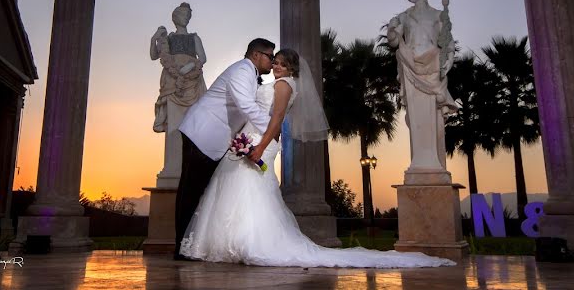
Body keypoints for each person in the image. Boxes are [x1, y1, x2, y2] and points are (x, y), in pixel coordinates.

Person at [179, 48, 455, 269]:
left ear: (291, 69)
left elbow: (275, 121)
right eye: (274, 62)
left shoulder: (284, 86)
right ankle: (230, 243)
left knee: (248, 191)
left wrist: (262, 147)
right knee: (236, 189)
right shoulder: (280, 83)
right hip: (252, 137)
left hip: (260, 140)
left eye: (281, 63)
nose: (275, 67)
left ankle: (250, 243)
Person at [174, 38, 275, 260]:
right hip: (201, 133)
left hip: (216, 140)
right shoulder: (242, 70)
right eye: (270, 56)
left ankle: (191, 245)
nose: (273, 61)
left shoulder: (250, 74)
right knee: (190, 192)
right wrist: (272, 132)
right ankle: (180, 247)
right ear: (256, 55)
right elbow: (246, 105)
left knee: (203, 192)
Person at [386, 0, 457, 176]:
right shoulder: (403, 17)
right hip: (411, 65)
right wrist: (393, 32)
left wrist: (449, 59)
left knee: (433, 117)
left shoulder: (437, 15)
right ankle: (421, 161)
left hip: (433, 65)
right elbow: (393, 42)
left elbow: (447, 41)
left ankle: (434, 163)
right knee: (416, 116)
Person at [149, 2, 207, 186]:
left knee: (192, 126)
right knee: (174, 124)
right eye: (183, 15)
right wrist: (154, 39)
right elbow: (153, 56)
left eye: (187, 15)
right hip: (172, 83)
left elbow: (203, 58)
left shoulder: (194, 38)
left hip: (192, 81)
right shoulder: (168, 39)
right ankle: (172, 168)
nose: (186, 18)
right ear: (176, 17)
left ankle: (191, 167)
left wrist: (189, 67)